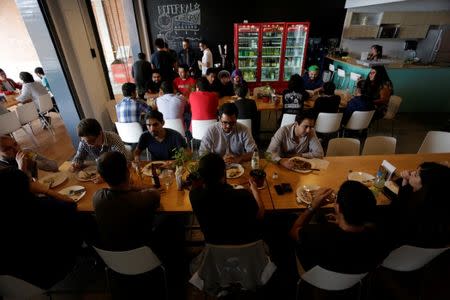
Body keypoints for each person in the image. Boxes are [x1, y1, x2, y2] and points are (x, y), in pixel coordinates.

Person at [0, 167, 81, 289]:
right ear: (26, 187)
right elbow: (71, 204)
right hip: (53, 270)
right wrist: (46, 191)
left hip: (15, 282)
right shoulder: (43, 207)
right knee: (83, 220)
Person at [289, 180, 383, 274]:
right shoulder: (378, 239)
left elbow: (293, 232)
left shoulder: (318, 234)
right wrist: (341, 220)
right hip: (352, 279)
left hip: (315, 276)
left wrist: (312, 206)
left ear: (337, 208)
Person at [190, 153, 265, 244]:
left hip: (214, 247)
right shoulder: (243, 195)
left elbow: (197, 187)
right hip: (245, 248)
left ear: (200, 175)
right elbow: (260, 214)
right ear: (224, 173)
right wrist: (255, 191)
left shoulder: (194, 195)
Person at [93, 151, 160, 251]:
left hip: (112, 256)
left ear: (102, 178)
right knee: (174, 219)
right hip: (144, 253)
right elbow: (155, 192)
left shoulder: (97, 197)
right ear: (127, 172)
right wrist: (134, 187)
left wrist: (129, 187)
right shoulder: (143, 198)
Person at [386, 162, 450, 249]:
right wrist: (406, 183)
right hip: (424, 253)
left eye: (416, 175)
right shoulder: (438, 200)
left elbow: (394, 214)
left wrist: (405, 186)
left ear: (427, 186)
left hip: (402, 247)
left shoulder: (419, 210)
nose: (412, 173)